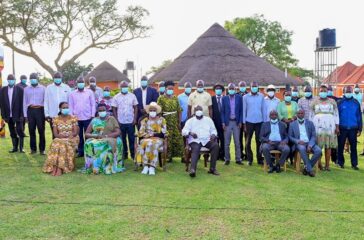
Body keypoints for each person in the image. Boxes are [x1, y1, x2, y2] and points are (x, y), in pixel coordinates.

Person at [83, 104, 124, 175]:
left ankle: (108, 167)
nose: (102, 111)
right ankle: (94, 167)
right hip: (96, 137)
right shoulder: (94, 120)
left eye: (103, 110)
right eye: (100, 110)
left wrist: (106, 136)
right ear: (97, 111)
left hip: (110, 137)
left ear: (107, 111)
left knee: (105, 143)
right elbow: (86, 134)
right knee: (89, 143)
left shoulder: (112, 119)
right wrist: (96, 136)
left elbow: (118, 132)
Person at [43, 102, 79, 176]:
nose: (66, 109)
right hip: (60, 138)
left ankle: (59, 168)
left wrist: (68, 136)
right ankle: (56, 167)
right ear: (60, 109)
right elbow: (55, 134)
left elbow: (75, 132)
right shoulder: (55, 119)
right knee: (55, 142)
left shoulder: (73, 118)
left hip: (72, 138)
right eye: (64, 108)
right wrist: (62, 136)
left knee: (60, 143)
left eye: (67, 107)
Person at [182, 105, 220, 177]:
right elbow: (184, 131)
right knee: (195, 149)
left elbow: (213, 130)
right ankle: (192, 170)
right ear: (194, 112)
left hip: (207, 140)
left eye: (200, 110)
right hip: (195, 140)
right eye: (197, 110)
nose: (198, 111)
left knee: (215, 145)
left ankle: (212, 168)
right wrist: (190, 133)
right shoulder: (190, 121)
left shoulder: (208, 120)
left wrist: (213, 135)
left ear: (202, 111)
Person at [311, 85, 339, 171]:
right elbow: (311, 115)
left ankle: (327, 165)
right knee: (318, 146)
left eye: (324, 91)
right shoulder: (314, 101)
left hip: (330, 127)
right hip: (317, 127)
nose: (323, 92)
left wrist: (337, 126)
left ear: (327, 92)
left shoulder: (332, 101)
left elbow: (336, 114)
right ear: (319, 92)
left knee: (328, 147)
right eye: (321, 91)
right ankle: (319, 164)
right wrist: (311, 128)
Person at [136, 102, 167, 175]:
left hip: (158, 139)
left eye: (154, 110)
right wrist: (149, 135)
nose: (152, 112)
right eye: (151, 110)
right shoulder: (145, 120)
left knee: (152, 144)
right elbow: (140, 132)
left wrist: (155, 134)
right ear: (149, 111)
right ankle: (146, 166)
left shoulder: (162, 120)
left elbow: (164, 132)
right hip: (146, 139)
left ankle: (152, 166)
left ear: (157, 111)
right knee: (148, 143)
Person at [288, 109, 322, 177]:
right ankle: (310, 170)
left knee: (318, 151)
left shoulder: (310, 123)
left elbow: (313, 135)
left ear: (304, 114)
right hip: (299, 144)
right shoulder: (292, 124)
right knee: (302, 149)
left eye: (302, 113)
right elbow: (290, 137)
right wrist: (298, 141)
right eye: (299, 113)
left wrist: (310, 145)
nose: (300, 114)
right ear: (296, 114)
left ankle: (306, 168)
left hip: (310, 142)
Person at [69, 77, 96, 157]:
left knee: (88, 135)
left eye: (82, 82)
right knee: (79, 136)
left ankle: (89, 152)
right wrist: (72, 117)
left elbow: (93, 104)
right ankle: (81, 152)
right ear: (76, 83)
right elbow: (70, 105)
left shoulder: (89, 92)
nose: (80, 83)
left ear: (84, 83)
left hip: (88, 117)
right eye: (79, 82)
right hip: (76, 118)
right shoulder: (72, 93)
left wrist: (92, 115)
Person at [157, 81, 184, 162]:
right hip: (165, 121)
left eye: (172, 89)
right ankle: (168, 157)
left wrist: (179, 123)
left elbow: (179, 110)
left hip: (175, 122)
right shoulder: (161, 98)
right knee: (167, 139)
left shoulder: (175, 98)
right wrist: (161, 123)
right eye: (169, 89)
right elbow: (159, 111)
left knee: (178, 139)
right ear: (165, 89)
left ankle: (182, 157)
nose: (171, 90)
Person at [337, 86, 362, 170]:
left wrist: (360, 128)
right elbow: (336, 116)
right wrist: (336, 127)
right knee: (340, 146)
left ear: (352, 92)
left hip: (353, 128)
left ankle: (354, 164)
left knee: (353, 147)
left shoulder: (356, 103)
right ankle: (340, 163)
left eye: (349, 91)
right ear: (344, 92)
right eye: (347, 91)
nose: (348, 92)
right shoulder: (340, 102)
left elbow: (359, 116)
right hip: (342, 128)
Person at [112, 81, 138, 160]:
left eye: (125, 87)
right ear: (120, 88)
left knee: (132, 139)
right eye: (123, 87)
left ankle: (133, 155)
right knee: (122, 139)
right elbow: (114, 109)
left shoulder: (132, 96)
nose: (124, 88)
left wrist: (135, 119)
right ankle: (124, 154)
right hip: (121, 121)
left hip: (130, 121)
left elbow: (136, 107)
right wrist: (116, 120)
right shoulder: (116, 97)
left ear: (128, 87)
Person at [0, 74, 25, 153]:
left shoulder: (20, 89)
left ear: (15, 80)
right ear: (7, 80)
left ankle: (21, 148)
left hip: (18, 115)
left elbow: (22, 103)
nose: (11, 81)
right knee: (12, 131)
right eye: (9, 79)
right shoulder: (3, 90)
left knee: (20, 130)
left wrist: (22, 115)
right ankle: (15, 147)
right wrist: (3, 115)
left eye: (12, 79)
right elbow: (2, 104)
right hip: (8, 115)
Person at [23, 73, 46, 154]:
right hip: (30, 110)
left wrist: (46, 114)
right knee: (31, 130)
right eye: (31, 78)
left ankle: (42, 149)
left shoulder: (43, 88)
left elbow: (45, 101)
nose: (33, 79)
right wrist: (25, 115)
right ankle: (33, 149)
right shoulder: (26, 89)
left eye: (34, 78)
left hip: (40, 110)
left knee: (41, 130)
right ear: (30, 79)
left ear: (37, 79)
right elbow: (24, 102)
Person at [242, 81, 264, 165]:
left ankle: (259, 159)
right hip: (249, 122)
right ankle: (249, 159)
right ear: (250, 87)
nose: (254, 88)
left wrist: (264, 122)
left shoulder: (261, 96)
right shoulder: (245, 97)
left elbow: (263, 109)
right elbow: (244, 111)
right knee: (248, 142)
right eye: (253, 86)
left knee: (259, 141)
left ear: (258, 87)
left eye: (256, 86)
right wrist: (244, 124)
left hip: (259, 122)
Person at [44, 72, 71, 139]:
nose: (57, 79)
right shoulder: (49, 88)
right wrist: (46, 114)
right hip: (53, 115)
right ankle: (55, 148)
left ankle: (65, 148)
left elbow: (70, 101)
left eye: (59, 78)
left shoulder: (67, 87)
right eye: (56, 78)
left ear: (61, 78)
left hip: (64, 114)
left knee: (65, 133)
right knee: (55, 134)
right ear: (53, 78)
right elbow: (46, 101)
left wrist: (70, 113)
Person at [221, 83, 243, 165]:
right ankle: (227, 159)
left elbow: (241, 111)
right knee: (227, 143)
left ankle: (238, 159)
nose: (231, 90)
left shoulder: (239, 98)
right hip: (227, 123)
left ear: (235, 89)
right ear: (228, 89)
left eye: (232, 88)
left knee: (237, 142)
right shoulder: (224, 98)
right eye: (230, 88)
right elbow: (222, 112)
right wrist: (223, 122)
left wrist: (240, 121)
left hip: (236, 123)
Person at [211, 83, 225, 160]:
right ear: (214, 90)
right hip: (214, 122)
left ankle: (222, 155)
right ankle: (215, 155)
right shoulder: (212, 98)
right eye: (217, 89)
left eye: (220, 89)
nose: (218, 90)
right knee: (215, 140)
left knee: (223, 139)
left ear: (222, 90)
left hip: (223, 123)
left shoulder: (225, 98)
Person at [327, 85, 340, 162]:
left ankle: (334, 159)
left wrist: (337, 126)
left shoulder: (335, 99)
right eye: (328, 90)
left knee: (333, 144)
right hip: (323, 126)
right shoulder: (319, 100)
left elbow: (336, 114)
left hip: (333, 125)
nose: (329, 91)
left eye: (330, 90)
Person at [238, 81, 248, 160]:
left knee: (247, 138)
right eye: (241, 86)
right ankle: (241, 154)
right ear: (238, 87)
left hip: (247, 120)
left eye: (243, 86)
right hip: (239, 120)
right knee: (239, 138)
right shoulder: (236, 95)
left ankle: (247, 154)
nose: (242, 87)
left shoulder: (249, 95)